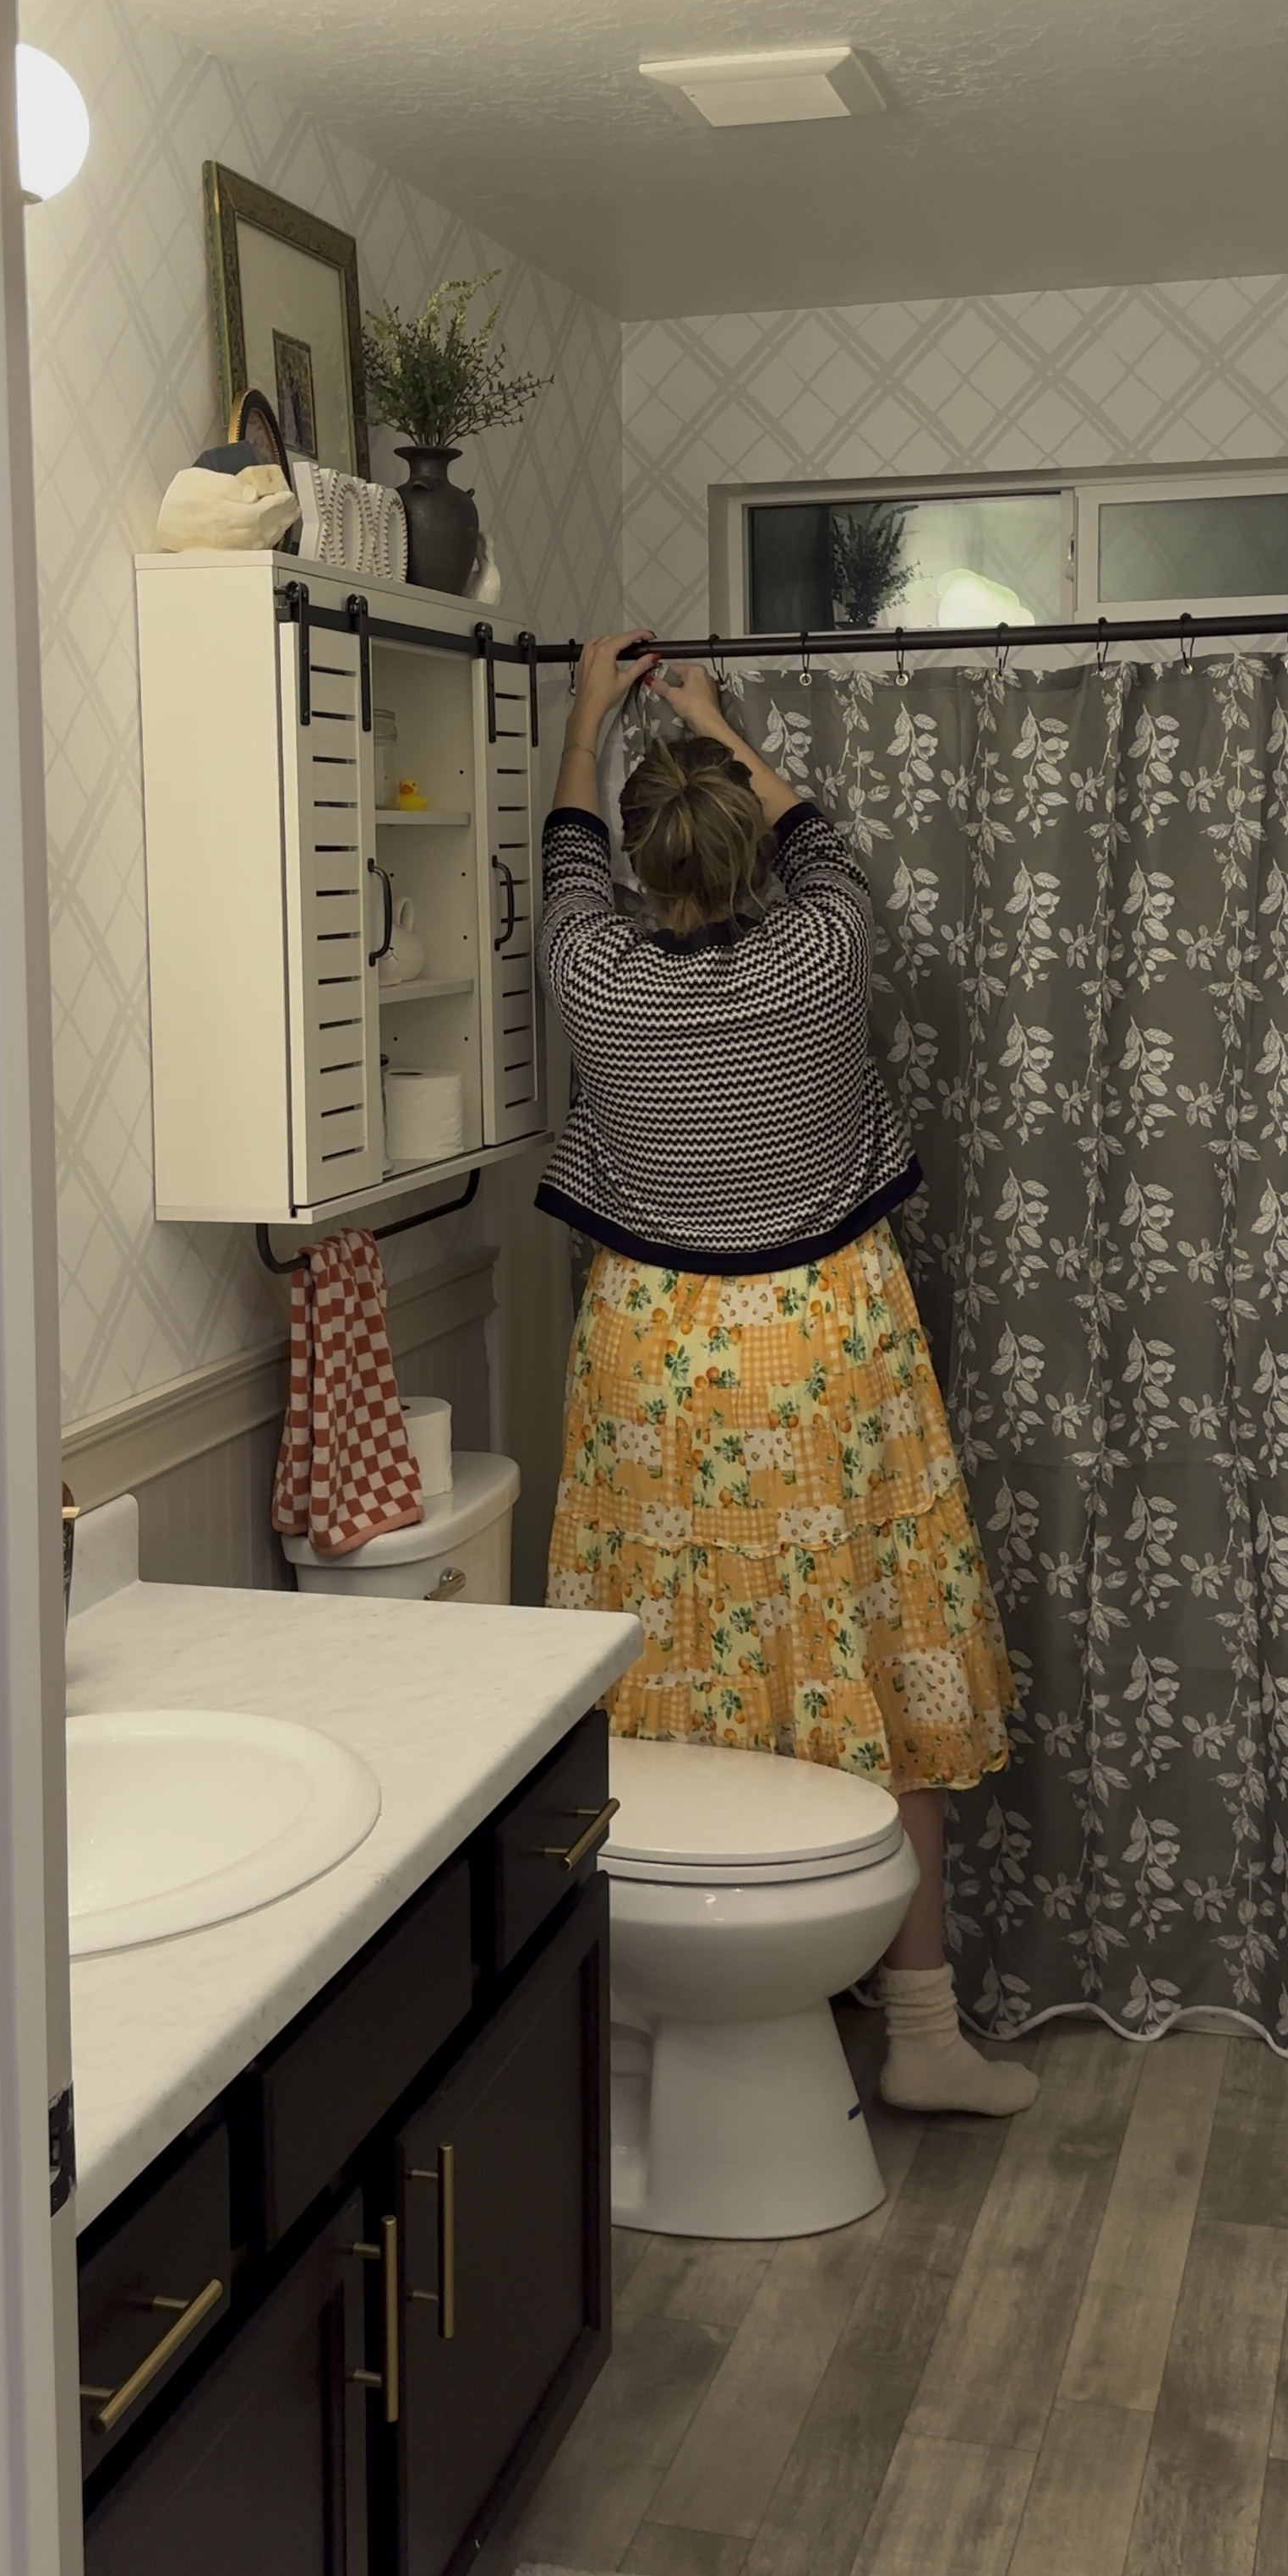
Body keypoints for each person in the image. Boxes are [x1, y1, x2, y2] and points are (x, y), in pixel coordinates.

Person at [535, 632, 1034, 2117]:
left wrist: (587, 716)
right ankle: (926, 2032)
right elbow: (829, 840)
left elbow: (563, 854)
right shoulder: (824, 951)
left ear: (640, 866)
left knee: (657, 1670)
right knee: (881, 1652)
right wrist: (707, 713)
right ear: (752, 850)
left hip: (655, 1358)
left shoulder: (594, 972)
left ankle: (630, 2031)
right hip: (826, 1341)